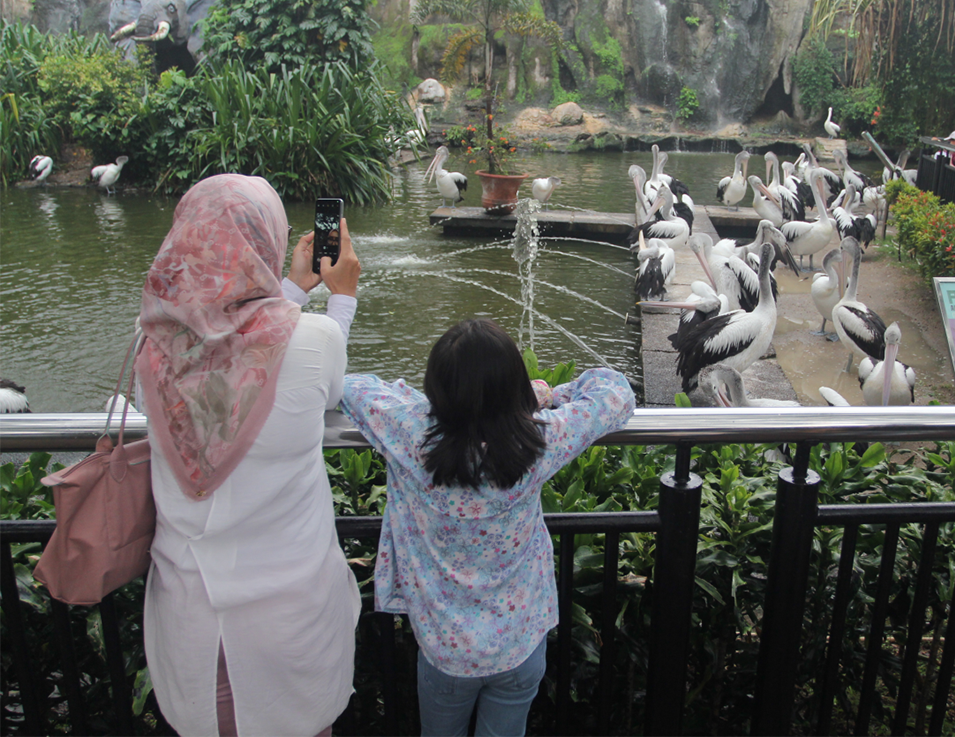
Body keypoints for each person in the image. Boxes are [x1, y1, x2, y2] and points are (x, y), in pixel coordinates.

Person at [137, 174, 362, 737]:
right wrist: (341, 297)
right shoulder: (315, 339)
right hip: (291, 617)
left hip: (185, 613)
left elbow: (221, 339)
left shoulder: (150, 346)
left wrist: (291, 288)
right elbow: (319, 381)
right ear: (265, 241)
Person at [341, 319, 636, 737]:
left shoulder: (406, 432)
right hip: (519, 645)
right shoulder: (538, 442)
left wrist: (416, 400)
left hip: (444, 651)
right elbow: (615, 392)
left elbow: (348, 384)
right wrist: (546, 395)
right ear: (513, 386)